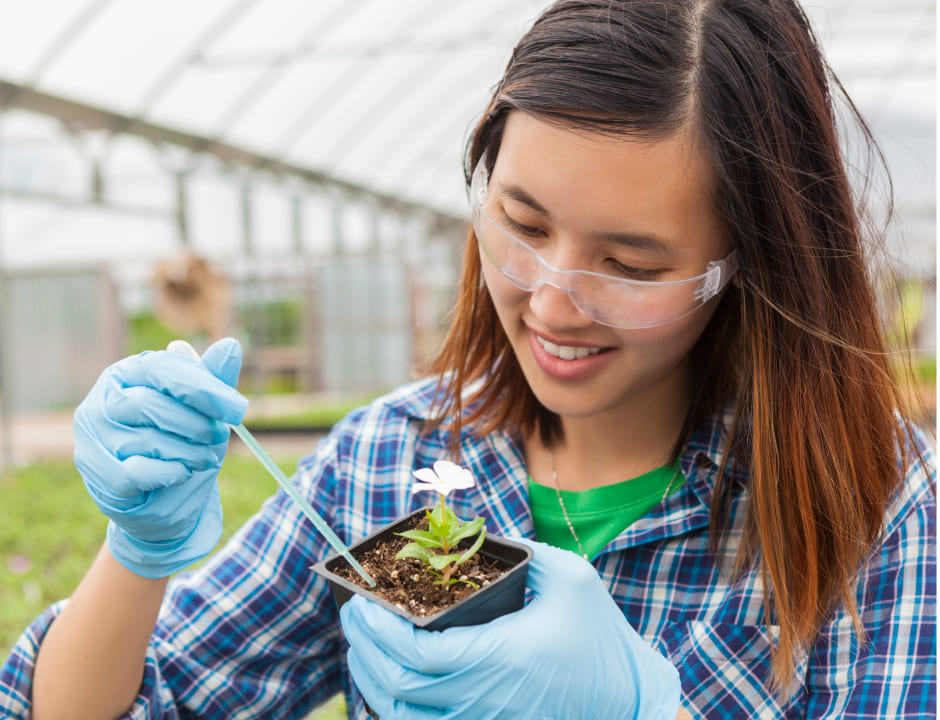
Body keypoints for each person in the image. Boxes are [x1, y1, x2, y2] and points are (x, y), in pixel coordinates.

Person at [1, 0, 934, 717]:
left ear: (746, 264)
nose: (553, 302)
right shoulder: (387, 463)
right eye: (522, 226)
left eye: (630, 264)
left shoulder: (872, 506)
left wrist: (648, 707)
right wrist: (137, 555)